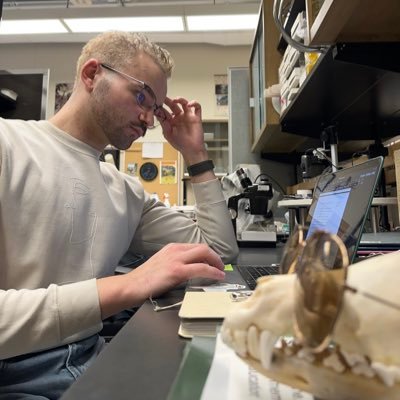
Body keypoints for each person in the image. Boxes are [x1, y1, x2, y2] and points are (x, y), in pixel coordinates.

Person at [0, 31, 238, 399]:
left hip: (91, 357)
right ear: (93, 74)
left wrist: (195, 154)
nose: (147, 119)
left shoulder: (125, 191)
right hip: (15, 373)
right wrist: (128, 285)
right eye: (141, 96)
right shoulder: (8, 145)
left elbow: (218, 251)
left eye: (156, 109)